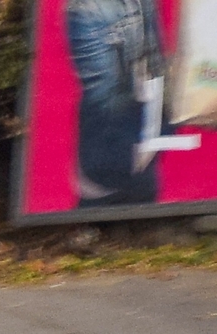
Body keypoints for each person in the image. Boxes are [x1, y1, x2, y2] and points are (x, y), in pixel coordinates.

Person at [66, 0, 167, 208]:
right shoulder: (89, 9)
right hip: (114, 168)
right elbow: (108, 96)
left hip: (126, 165)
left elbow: (155, 73)